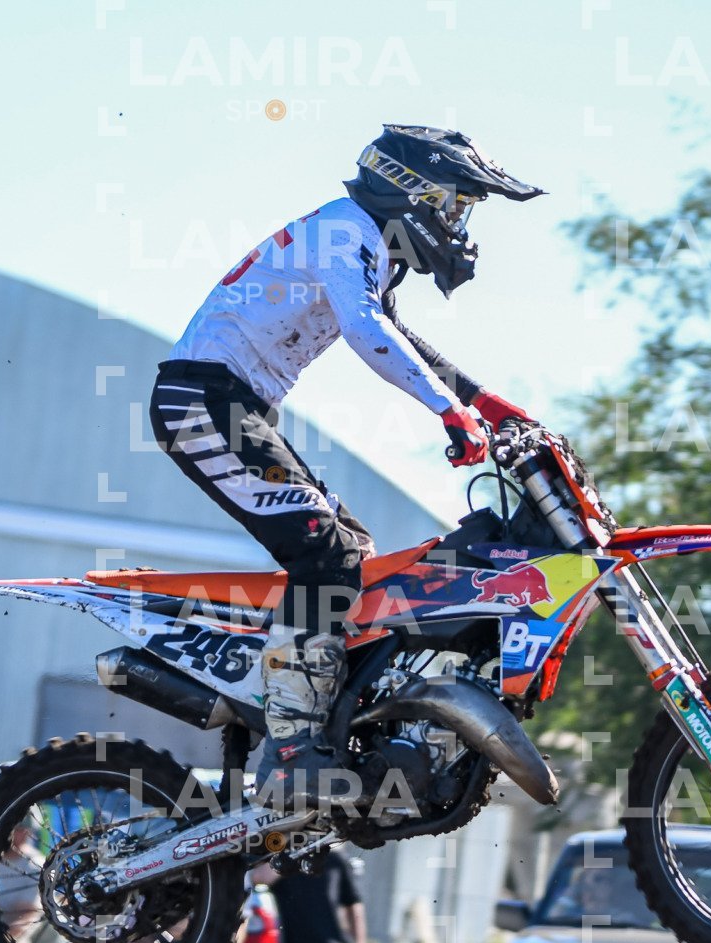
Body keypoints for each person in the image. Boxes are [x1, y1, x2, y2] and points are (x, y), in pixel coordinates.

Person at [151, 124, 543, 812]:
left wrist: (486, 402)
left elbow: (397, 331)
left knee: (354, 553)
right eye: (456, 204)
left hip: (236, 406)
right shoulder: (344, 230)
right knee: (323, 552)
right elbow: (368, 330)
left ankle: (327, 716)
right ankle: (291, 747)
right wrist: (448, 411)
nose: (459, 222)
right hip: (202, 403)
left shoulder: (360, 241)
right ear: (412, 190)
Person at [253, 852, 367, 943]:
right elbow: (258, 878)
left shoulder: (334, 860)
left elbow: (354, 907)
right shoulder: (283, 861)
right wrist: (291, 853)